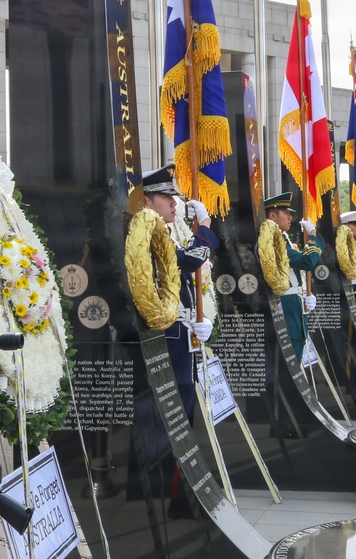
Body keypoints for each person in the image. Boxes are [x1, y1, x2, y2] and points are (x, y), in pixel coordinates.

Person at [140, 163, 217, 519]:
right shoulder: (146, 233)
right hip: (168, 339)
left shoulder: (165, 232)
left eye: (174, 195)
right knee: (175, 418)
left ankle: (182, 493)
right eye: (166, 196)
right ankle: (175, 496)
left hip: (182, 337)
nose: (175, 203)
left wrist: (200, 321)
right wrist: (206, 230)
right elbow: (187, 261)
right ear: (148, 200)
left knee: (185, 417)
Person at [264, 192, 323, 360]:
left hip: (295, 306)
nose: (291, 217)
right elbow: (307, 262)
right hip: (287, 309)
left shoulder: (282, 239)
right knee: (290, 361)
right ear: (273, 216)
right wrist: (312, 235)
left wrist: (305, 294)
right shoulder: (274, 241)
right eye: (286, 213)